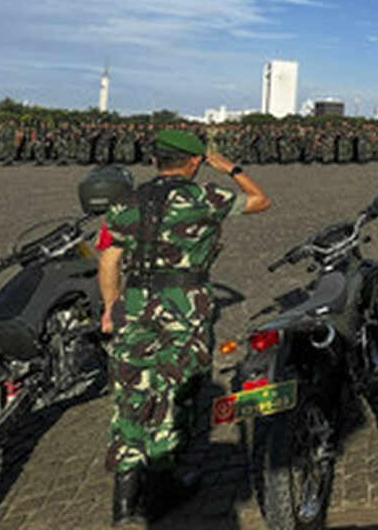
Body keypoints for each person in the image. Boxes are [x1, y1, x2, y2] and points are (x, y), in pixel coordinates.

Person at [97, 129, 271, 527]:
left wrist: (110, 307)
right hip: (184, 306)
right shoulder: (204, 197)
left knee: (131, 392)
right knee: (176, 391)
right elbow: (262, 201)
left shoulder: (125, 202)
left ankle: (124, 501)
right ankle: (161, 490)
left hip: (135, 303)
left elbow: (109, 259)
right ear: (195, 162)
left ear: (156, 161)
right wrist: (232, 169)